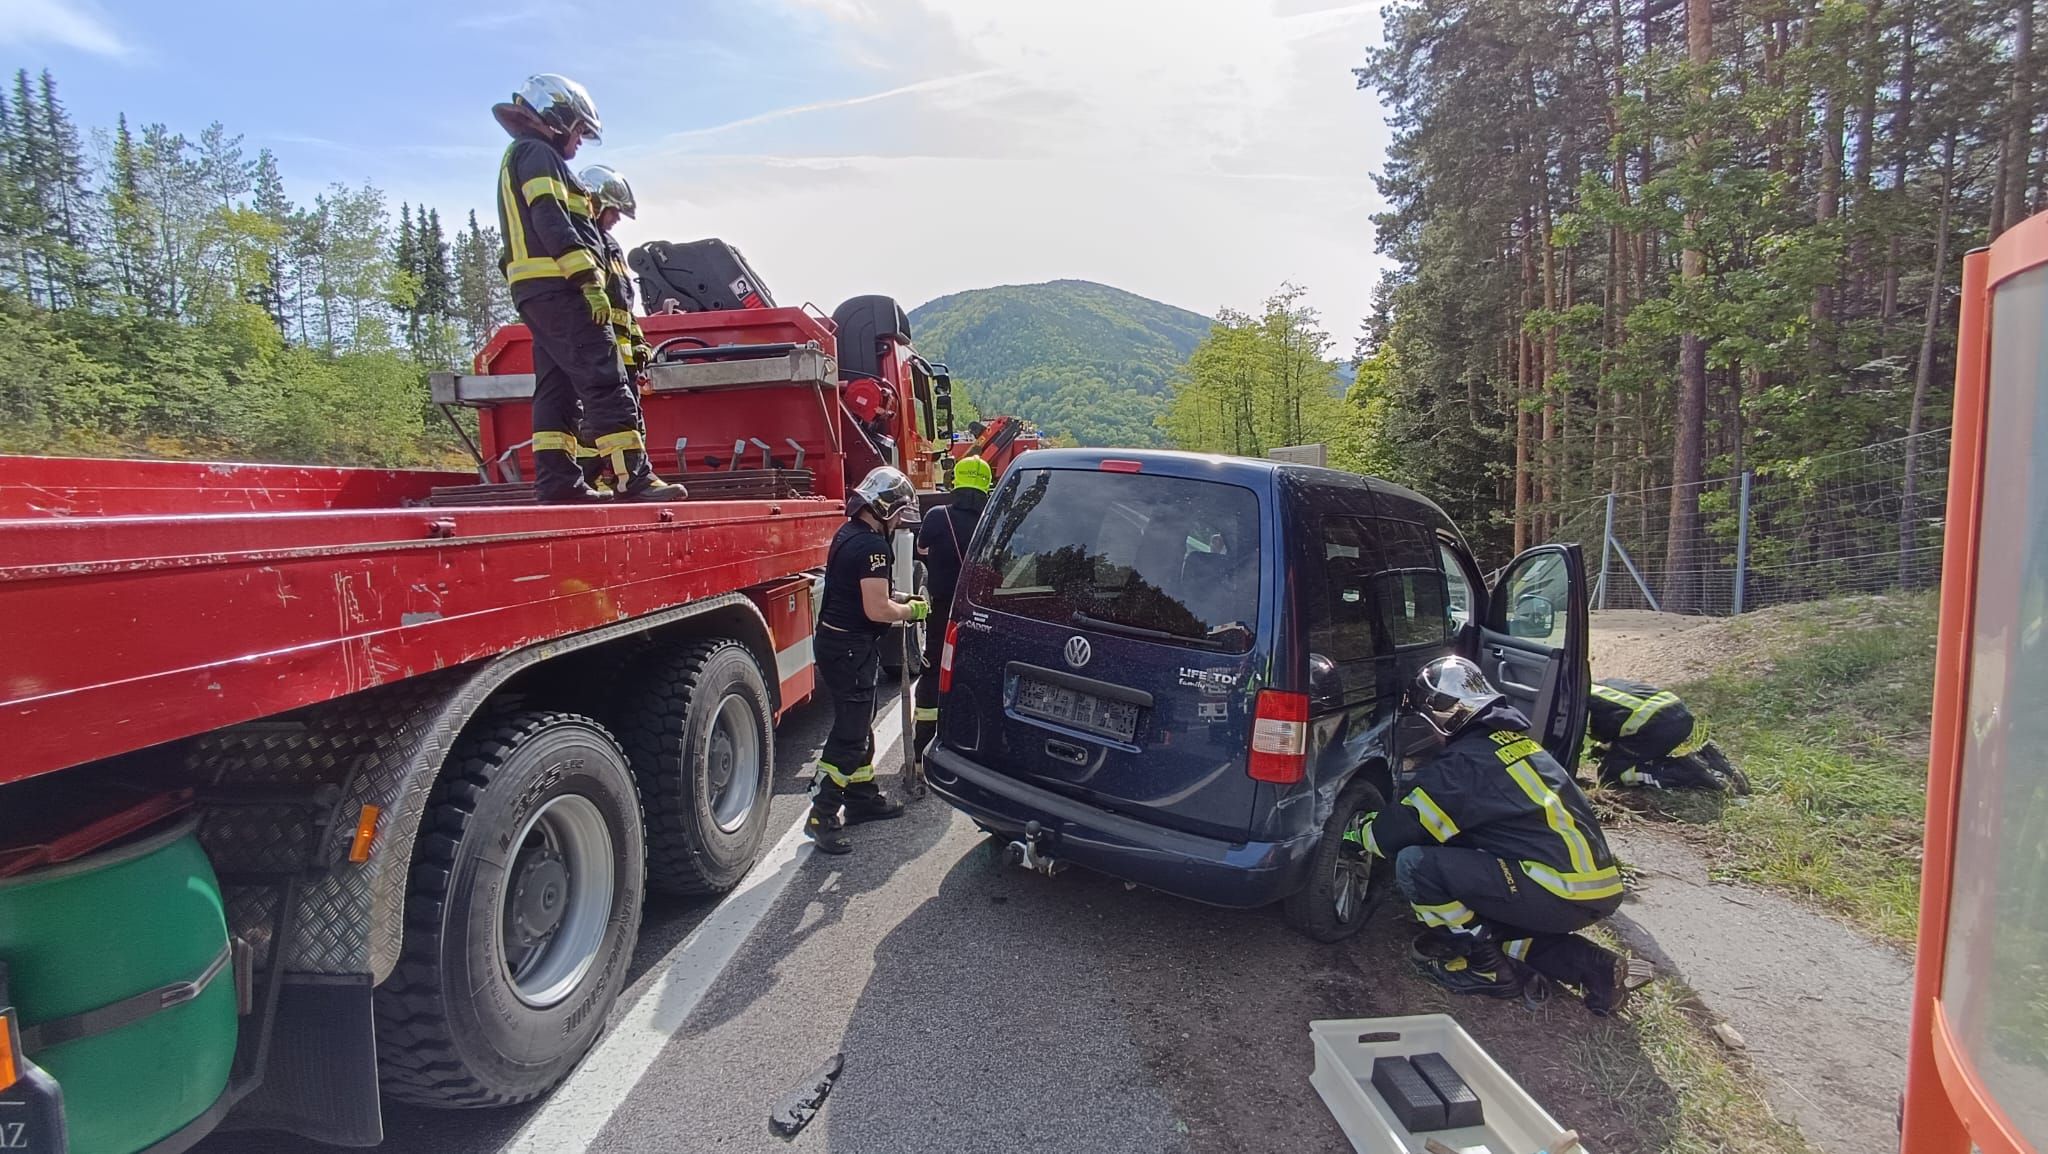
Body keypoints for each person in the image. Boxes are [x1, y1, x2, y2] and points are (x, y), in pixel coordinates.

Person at [1366, 657, 1641, 1015]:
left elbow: (1396, 833)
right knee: (1487, 926)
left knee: (1415, 865)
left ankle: (1487, 971)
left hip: (1555, 887)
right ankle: (1597, 969)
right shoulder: (1516, 744)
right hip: (1593, 886)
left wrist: (1359, 832)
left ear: (1446, 714)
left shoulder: (1465, 765)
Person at [491, 74, 683, 505]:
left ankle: (560, 484)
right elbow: (552, 220)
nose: (579, 144)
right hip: (562, 288)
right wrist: (586, 280)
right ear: (557, 119)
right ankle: (632, 479)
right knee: (603, 376)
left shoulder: (519, 155)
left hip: (538, 292)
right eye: (579, 131)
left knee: (557, 387)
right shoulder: (538, 153)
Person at [809, 466, 930, 854]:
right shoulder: (874, 547)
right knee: (851, 734)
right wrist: (912, 612)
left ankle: (861, 797)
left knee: (862, 723)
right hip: (850, 648)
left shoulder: (849, 535)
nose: (898, 522)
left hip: (839, 644)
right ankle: (822, 813)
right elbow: (877, 609)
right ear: (884, 507)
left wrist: (901, 601)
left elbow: (867, 594)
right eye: (897, 514)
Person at [576, 163, 655, 495]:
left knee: (627, 418)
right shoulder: (582, 243)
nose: (617, 219)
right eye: (613, 210)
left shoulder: (611, 248)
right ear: (594, 202)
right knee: (599, 420)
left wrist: (639, 345)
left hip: (621, 358)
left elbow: (623, 309)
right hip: (595, 353)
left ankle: (617, 478)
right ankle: (609, 480)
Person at [911, 455, 995, 751]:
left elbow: (920, 548)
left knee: (933, 668)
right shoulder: (993, 520)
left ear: (955, 482)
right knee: (974, 669)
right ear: (987, 485)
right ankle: (969, 738)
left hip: (942, 608)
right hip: (982, 611)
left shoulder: (937, 515)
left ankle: (924, 743)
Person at [1586, 677, 1744, 792]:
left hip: (1658, 724)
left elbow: (1568, 744)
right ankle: (1709, 758)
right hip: (1675, 711)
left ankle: (1688, 771)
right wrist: (1604, 747)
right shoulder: (1590, 685)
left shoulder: (1573, 703)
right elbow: (1615, 715)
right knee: (1606, 755)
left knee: (1612, 776)